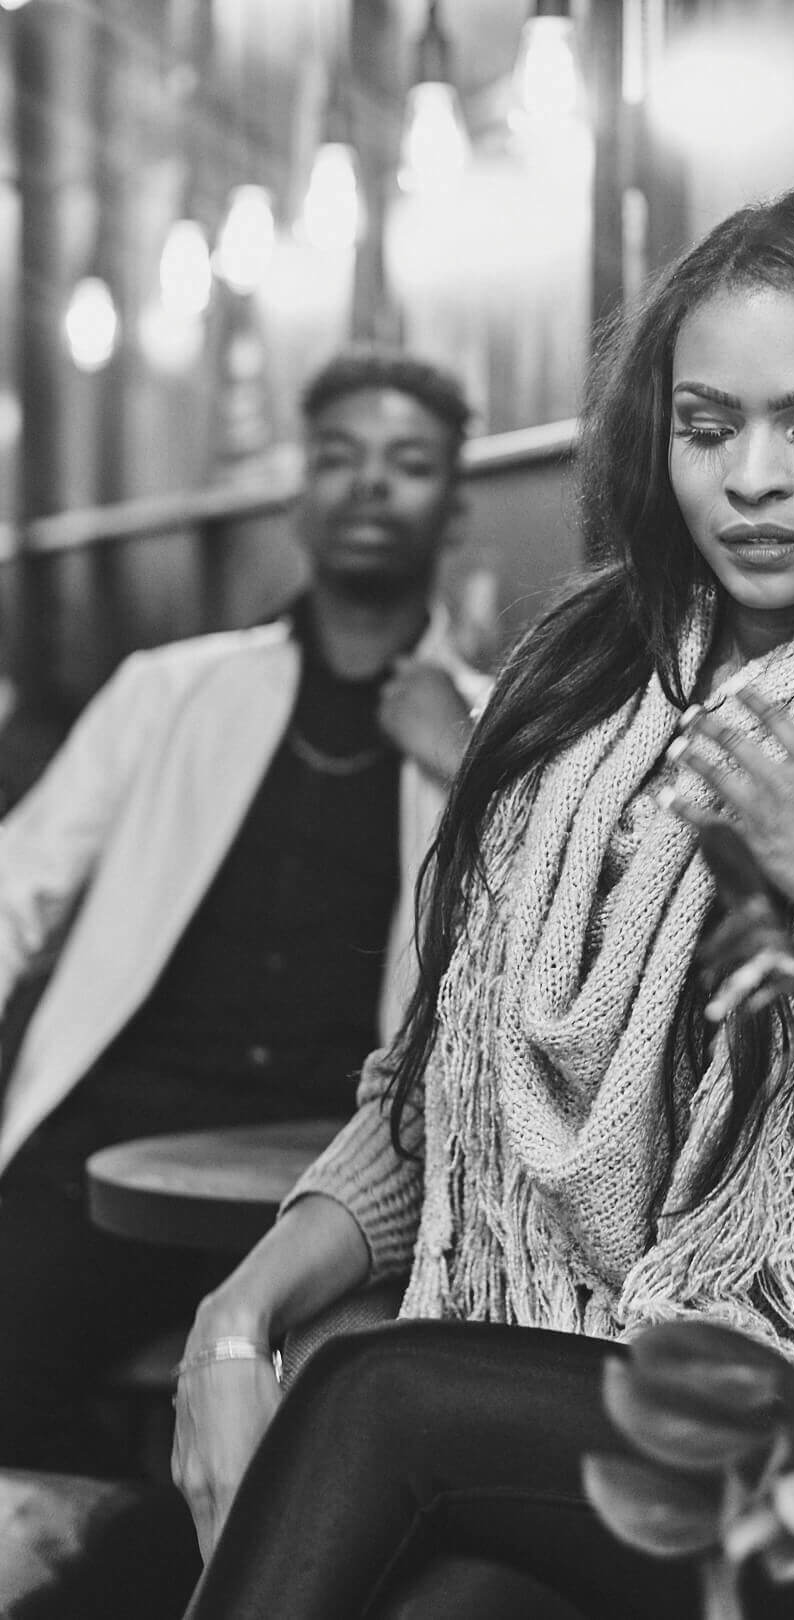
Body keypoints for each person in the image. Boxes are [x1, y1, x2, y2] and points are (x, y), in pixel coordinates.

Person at [172, 189, 794, 1620]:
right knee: (433, 1582)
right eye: (707, 428)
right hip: (582, 1380)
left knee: (378, 1396)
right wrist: (236, 1314)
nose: (752, 479)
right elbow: (439, 1094)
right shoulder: (574, 699)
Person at [0, 346, 486, 1478]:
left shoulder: (502, 726)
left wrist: (464, 762)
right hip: (111, 1147)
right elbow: (16, 886)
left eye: (407, 463)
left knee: (324, 1440)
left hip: (337, 1174)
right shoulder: (171, 690)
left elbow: (550, 945)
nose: (370, 485)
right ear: (296, 496)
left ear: (455, 511)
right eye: (339, 458)